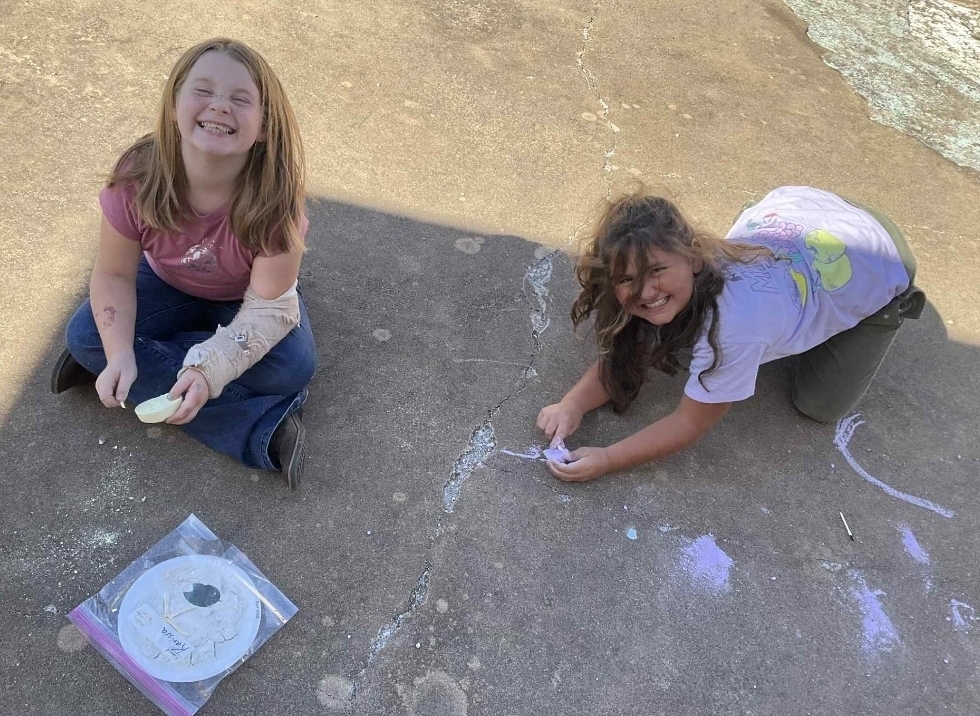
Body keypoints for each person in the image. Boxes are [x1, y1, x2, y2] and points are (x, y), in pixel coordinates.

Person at [51, 38, 316, 490]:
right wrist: (117, 353)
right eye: (204, 91)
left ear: (265, 127)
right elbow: (113, 274)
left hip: (249, 299)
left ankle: (135, 363)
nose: (219, 106)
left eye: (240, 98)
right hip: (163, 283)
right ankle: (261, 428)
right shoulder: (138, 176)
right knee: (89, 335)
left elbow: (270, 309)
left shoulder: (276, 201)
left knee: (293, 367)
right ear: (174, 105)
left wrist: (208, 366)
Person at [537, 185, 926, 482]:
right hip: (804, 210)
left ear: (692, 256)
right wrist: (572, 404)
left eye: (656, 270)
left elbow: (689, 423)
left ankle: (890, 305)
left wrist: (608, 458)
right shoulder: (689, 265)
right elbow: (627, 353)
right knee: (682, 322)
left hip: (877, 253)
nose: (644, 291)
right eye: (627, 279)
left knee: (818, 405)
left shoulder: (731, 330)